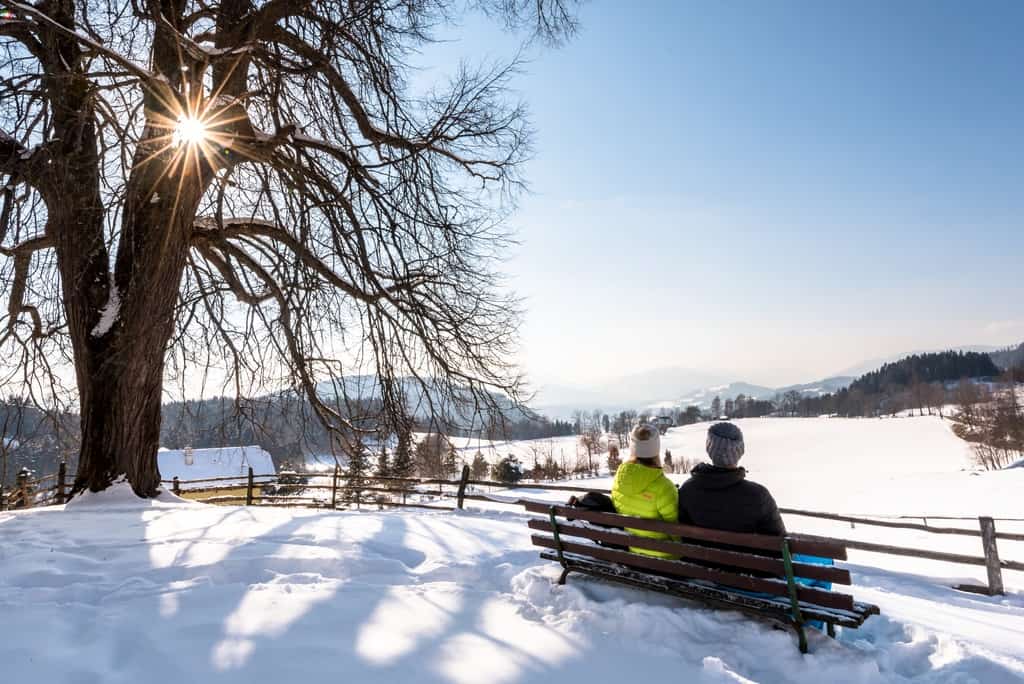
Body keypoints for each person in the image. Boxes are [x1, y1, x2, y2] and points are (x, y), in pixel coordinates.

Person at [677, 422, 785, 536]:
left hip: (694, 554)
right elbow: (780, 541)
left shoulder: (688, 490)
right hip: (744, 554)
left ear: (709, 449)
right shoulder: (758, 496)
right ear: (740, 451)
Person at [610, 423, 678, 558]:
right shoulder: (664, 487)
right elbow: (676, 531)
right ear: (655, 450)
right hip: (665, 560)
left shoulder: (619, 479)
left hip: (633, 553)